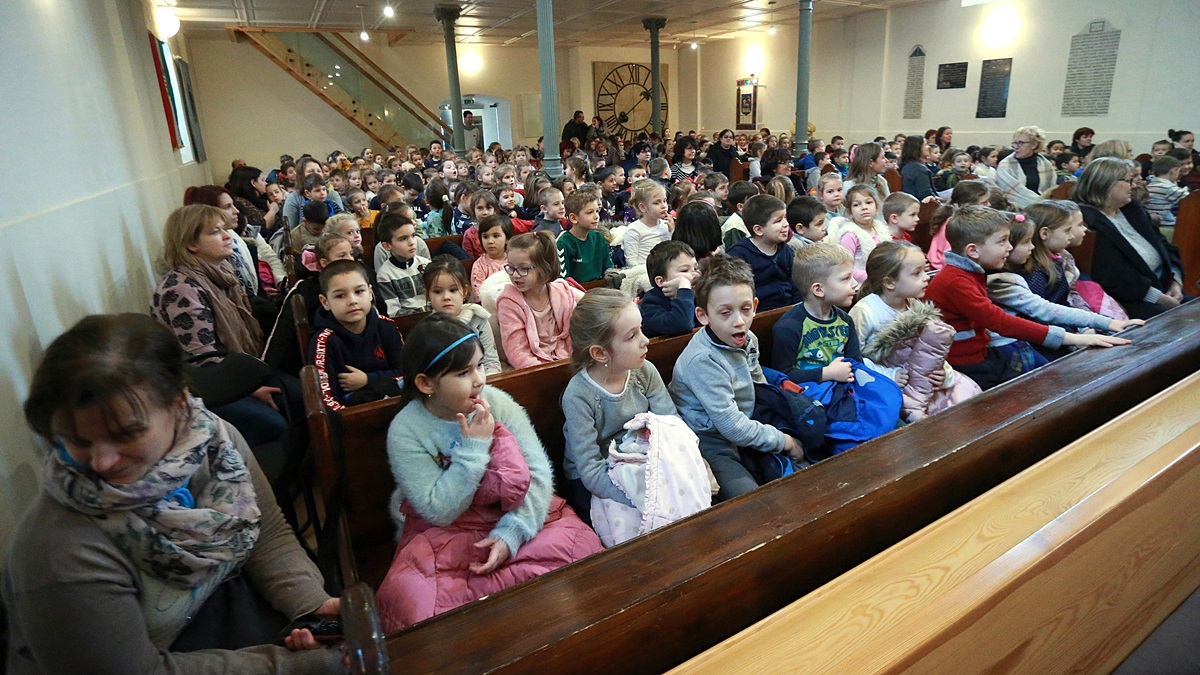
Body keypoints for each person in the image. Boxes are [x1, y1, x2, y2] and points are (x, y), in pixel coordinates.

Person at [4, 314, 342, 672]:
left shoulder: (212, 442)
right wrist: (297, 665)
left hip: (221, 621)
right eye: (76, 441)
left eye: (126, 434)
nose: (100, 462)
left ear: (179, 404)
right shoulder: (60, 554)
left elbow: (267, 533)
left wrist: (311, 606)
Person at [374, 315, 602, 631]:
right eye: (464, 372)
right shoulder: (406, 429)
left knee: (583, 553)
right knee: (414, 601)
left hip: (517, 512)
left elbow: (537, 475)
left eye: (480, 365)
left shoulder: (496, 401)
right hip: (447, 531)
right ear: (426, 383)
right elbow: (438, 510)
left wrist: (512, 533)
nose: (480, 379)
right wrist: (474, 448)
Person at [924, 206, 1129, 390]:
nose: (1010, 248)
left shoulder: (969, 272)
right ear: (973, 250)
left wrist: (1103, 324)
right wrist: (1075, 338)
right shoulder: (955, 281)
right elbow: (1000, 322)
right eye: (1002, 241)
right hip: (966, 363)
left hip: (981, 354)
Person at [151, 205, 289, 446]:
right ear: (192, 244)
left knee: (298, 394)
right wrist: (251, 388)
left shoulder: (219, 271)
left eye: (225, 229)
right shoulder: (181, 288)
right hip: (200, 388)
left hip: (231, 369)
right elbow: (202, 357)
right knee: (276, 420)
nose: (228, 235)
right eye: (216, 232)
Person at [669, 255, 803, 501]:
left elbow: (758, 384)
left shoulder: (748, 339)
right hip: (709, 440)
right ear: (703, 315)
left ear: (754, 304)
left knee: (800, 477)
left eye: (745, 309)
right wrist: (784, 441)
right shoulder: (703, 360)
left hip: (745, 424)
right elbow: (732, 427)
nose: (739, 322)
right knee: (749, 503)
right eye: (725, 313)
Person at [560, 289, 682, 520]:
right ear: (600, 353)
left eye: (641, 329)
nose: (645, 341)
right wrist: (639, 496)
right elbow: (591, 471)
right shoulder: (578, 395)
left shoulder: (645, 371)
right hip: (595, 477)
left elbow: (671, 425)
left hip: (640, 458)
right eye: (632, 336)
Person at [986, 211, 1142, 362]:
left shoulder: (1031, 268)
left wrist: (1090, 328)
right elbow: (1044, 310)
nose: (1032, 247)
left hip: (1048, 336)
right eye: (1026, 242)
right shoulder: (1001, 282)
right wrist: (1100, 326)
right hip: (1018, 346)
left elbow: (1061, 303)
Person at [850, 242, 980, 421]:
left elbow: (932, 350)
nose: (926, 277)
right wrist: (890, 375)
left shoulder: (916, 306)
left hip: (921, 382)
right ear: (889, 282)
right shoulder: (866, 311)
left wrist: (944, 375)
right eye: (917, 273)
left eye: (925, 271)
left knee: (969, 402)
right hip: (887, 384)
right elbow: (853, 358)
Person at [1074, 158, 1186, 319]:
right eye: (1128, 181)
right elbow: (1112, 275)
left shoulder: (1131, 208)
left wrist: (1177, 282)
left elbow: (1165, 246)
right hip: (1134, 300)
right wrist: (1159, 298)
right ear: (1106, 183)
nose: (1134, 186)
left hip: (1167, 287)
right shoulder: (1088, 220)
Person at [309, 260, 404, 410]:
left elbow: (405, 373)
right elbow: (325, 399)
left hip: (394, 401)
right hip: (353, 413)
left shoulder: (386, 326)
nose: (352, 301)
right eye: (340, 296)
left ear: (371, 293)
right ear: (325, 302)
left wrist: (367, 379)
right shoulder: (324, 341)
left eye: (359, 291)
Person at [263, 234, 356, 377]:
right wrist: (264, 373)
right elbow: (282, 329)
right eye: (342, 255)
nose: (350, 259)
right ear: (324, 262)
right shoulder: (306, 289)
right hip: (324, 357)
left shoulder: (359, 279)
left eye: (351, 254)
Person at [496, 232, 584, 369]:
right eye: (511, 267)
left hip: (568, 363)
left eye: (523, 268)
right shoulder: (509, 302)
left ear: (545, 267)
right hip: (533, 371)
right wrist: (546, 372)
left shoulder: (563, 292)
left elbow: (576, 336)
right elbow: (517, 353)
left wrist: (575, 363)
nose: (515, 275)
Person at [424, 256, 501, 375]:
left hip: (481, 382)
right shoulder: (427, 328)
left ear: (464, 291)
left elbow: (491, 361)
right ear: (427, 295)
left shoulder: (478, 319)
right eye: (438, 291)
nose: (446, 297)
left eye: (453, 290)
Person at [727, 194, 801, 311]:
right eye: (778, 221)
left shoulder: (786, 250)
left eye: (785, 218)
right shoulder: (739, 255)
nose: (786, 224)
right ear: (758, 229)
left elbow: (797, 285)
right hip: (757, 312)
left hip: (788, 309)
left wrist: (798, 309)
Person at [640, 240, 701, 338]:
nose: (695, 274)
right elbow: (683, 325)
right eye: (685, 270)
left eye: (696, 268)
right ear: (661, 281)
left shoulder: (697, 293)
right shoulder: (650, 305)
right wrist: (684, 286)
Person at [376, 212, 432, 316]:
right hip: (410, 322)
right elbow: (393, 311)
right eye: (403, 239)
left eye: (413, 235)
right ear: (387, 246)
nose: (412, 242)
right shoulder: (385, 275)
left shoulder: (426, 264)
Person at [836, 185, 893, 283]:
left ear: (876, 206)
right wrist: (873, 277)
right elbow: (845, 268)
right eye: (856, 205)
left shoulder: (882, 229)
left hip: (884, 279)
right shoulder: (850, 235)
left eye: (868, 202)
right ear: (849, 211)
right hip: (862, 284)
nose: (864, 207)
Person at [557, 189, 613, 284]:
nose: (596, 216)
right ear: (573, 218)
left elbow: (608, 268)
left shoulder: (599, 238)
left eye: (597, 211)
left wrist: (612, 277)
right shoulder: (563, 244)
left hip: (600, 290)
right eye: (590, 212)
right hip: (575, 293)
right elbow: (562, 282)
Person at [994, 126, 1057, 208]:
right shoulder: (1005, 165)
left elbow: (1050, 190)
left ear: (1034, 145)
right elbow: (1013, 193)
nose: (1016, 147)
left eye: (1021, 143)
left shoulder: (1045, 164)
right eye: (1015, 143)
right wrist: (1040, 203)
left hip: (1044, 208)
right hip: (1014, 209)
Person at [472, 214, 512, 297]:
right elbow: (479, 295)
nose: (490, 241)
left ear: (507, 239)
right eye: (485, 237)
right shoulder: (480, 265)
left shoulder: (515, 260)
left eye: (496, 236)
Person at [1144, 155, 1190, 226]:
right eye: (1179, 171)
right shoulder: (1169, 188)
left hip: (1151, 223)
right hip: (1166, 225)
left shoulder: (1149, 183)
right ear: (1174, 170)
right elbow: (1191, 200)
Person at [720, 180, 762, 249]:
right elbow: (735, 256)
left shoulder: (751, 219)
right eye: (755, 201)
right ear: (740, 206)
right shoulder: (734, 227)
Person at [899, 135, 936, 200]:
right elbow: (927, 196)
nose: (929, 147)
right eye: (926, 145)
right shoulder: (920, 170)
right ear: (918, 148)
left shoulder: (906, 165)